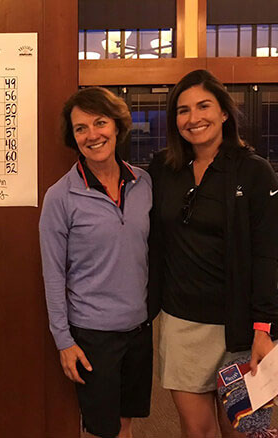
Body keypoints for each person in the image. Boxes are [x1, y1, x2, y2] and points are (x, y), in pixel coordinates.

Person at [148, 69, 278, 438]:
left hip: (238, 328)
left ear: (224, 112)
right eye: (183, 110)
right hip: (181, 324)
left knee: (244, 431)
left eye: (204, 106)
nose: (194, 118)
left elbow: (268, 256)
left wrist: (263, 329)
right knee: (198, 430)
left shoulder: (254, 172)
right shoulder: (164, 168)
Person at [39, 87, 153, 438]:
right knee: (101, 431)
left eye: (100, 123)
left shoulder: (143, 182)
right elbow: (53, 273)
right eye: (80, 128)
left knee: (126, 423)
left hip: (138, 330)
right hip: (92, 336)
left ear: (117, 126)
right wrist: (63, 341)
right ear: (72, 137)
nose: (92, 135)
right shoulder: (61, 197)